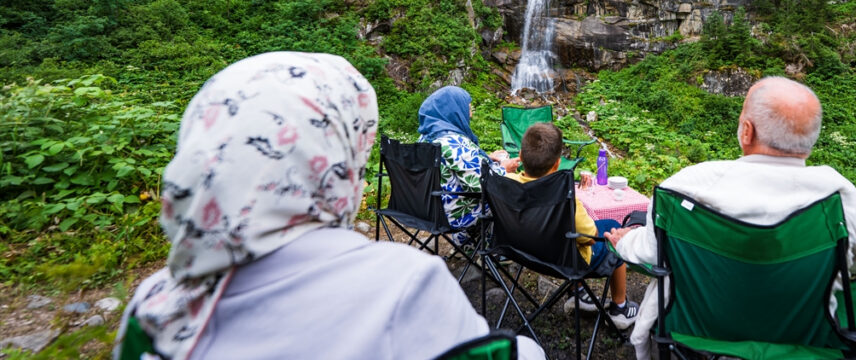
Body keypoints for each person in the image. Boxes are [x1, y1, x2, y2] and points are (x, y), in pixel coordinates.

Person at [114, 52, 544, 360]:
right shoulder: (404, 286)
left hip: (425, 214)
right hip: (464, 215)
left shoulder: (152, 308)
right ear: (335, 158)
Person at [604, 76, 856, 360]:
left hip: (698, 329)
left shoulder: (685, 187)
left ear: (746, 131)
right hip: (804, 339)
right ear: (809, 141)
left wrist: (625, 241)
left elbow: (651, 251)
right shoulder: (839, 198)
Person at [509, 122, 639, 329]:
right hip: (565, 261)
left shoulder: (506, 183)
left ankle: (578, 293)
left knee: (566, 234)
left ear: (521, 157)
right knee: (612, 228)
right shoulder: (565, 199)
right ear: (557, 164)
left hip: (523, 251)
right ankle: (620, 307)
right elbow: (588, 237)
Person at [418, 86, 519, 247]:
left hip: (424, 210)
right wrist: (504, 168)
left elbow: (455, 169)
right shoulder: (454, 142)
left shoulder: (426, 138)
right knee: (509, 195)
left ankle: (468, 242)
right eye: (468, 108)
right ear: (453, 110)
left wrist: (486, 158)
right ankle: (497, 249)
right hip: (453, 215)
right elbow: (481, 184)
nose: (470, 113)